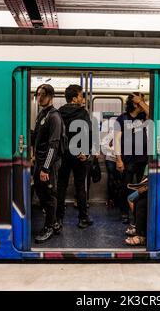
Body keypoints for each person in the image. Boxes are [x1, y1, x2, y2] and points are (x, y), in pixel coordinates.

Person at [57, 84, 94, 229]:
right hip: (78, 154)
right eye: (81, 95)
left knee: (61, 186)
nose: (82, 98)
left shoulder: (59, 113)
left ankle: (58, 219)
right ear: (74, 98)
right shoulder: (82, 113)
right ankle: (82, 218)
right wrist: (86, 152)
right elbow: (88, 133)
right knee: (80, 186)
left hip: (63, 154)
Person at [32, 84, 64, 243]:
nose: (39, 97)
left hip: (48, 164)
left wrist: (45, 168)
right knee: (41, 193)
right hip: (39, 161)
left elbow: (54, 145)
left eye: (42, 94)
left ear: (51, 96)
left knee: (49, 195)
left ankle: (50, 226)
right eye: (38, 94)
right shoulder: (41, 114)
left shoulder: (54, 117)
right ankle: (55, 222)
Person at [114, 92, 149, 224]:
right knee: (125, 187)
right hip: (127, 159)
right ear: (133, 103)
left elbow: (154, 114)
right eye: (140, 100)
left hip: (142, 159)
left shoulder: (143, 116)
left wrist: (140, 102)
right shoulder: (122, 119)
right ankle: (124, 212)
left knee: (142, 188)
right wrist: (118, 159)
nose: (143, 102)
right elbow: (117, 140)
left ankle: (139, 212)